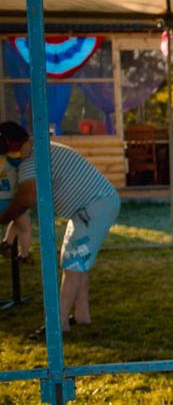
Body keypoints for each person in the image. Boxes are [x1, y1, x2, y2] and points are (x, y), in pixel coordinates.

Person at [0, 121, 120, 338]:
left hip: (94, 207)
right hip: (89, 208)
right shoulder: (40, 148)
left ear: (12, 144)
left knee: (73, 263)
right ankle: (82, 315)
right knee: (74, 262)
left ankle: (58, 324)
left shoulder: (32, 159)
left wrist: (4, 217)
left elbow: (27, 198)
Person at [1, 145, 33, 263]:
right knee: (25, 227)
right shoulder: (12, 159)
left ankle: (7, 243)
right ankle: (24, 255)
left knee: (17, 222)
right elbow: (26, 158)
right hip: (11, 201)